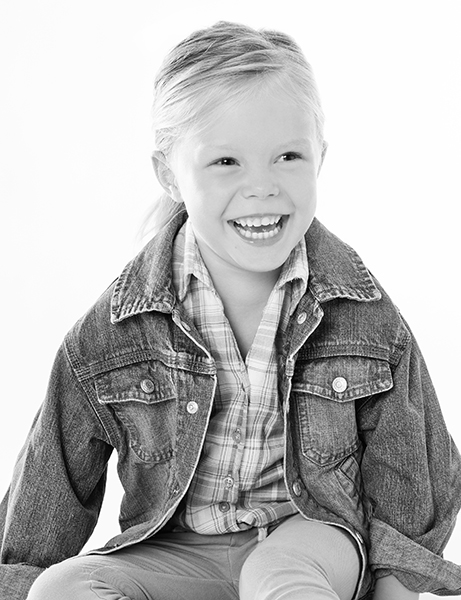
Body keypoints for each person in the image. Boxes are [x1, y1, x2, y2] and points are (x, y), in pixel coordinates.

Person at [1, 20, 460, 600]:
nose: (261, 187)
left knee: (277, 577)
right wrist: (24, 577)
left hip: (309, 534)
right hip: (178, 550)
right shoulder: (116, 331)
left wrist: (395, 587)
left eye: (288, 156)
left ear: (320, 157)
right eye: (226, 162)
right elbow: (53, 479)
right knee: (61, 588)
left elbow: (410, 461)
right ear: (169, 174)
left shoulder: (360, 312)